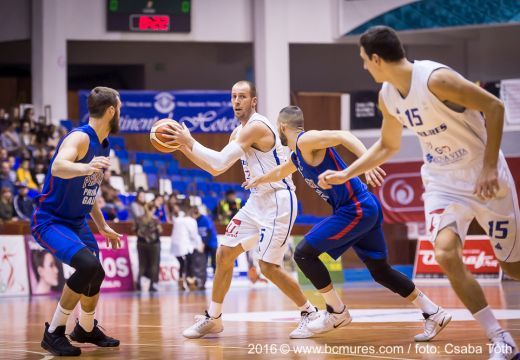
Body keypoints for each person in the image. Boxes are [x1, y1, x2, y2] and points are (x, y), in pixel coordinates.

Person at [318, 26, 519, 359]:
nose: (364, 66)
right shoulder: (388, 95)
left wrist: (487, 168)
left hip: (485, 177)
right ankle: (500, 338)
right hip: (442, 182)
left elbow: (495, 107)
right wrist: (346, 173)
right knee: (444, 253)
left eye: (364, 60)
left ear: (377, 58)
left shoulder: (436, 80)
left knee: (514, 269)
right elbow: (388, 144)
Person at [245, 105, 450, 340]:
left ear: (282, 126)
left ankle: (336, 311)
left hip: (355, 208)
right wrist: (259, 179)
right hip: (363, 207)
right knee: (381, 271)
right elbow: (281, 171)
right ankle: (433, 312)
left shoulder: (306, 140)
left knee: (303, 253)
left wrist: (369, 162)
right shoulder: (297, 155)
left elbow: (344, 136)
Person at [165, 80, 318, 339]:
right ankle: (214, 318)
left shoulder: (256, 126)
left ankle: (310, 313)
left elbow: (221, 160)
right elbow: (216, 168)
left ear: (253, 101)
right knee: (224, 254)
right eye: (234, 97)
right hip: (256, 200)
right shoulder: (238, 133)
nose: (237, 101)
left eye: (242, 97)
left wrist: (190, 140)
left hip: (278, 200)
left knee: (267, 267)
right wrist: (184, 147)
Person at [30, 86, 122, 356]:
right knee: (87, 265)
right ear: (111, 111)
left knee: (97, 273)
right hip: (50, 219)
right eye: (120, 109)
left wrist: (102, 225)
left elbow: (89, 190)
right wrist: (86, 166)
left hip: (77, 220)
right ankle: (54, 332)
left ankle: (85, 328)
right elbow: (58, 166)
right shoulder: (81, 137)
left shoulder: (105, 144)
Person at [170, 203, 203, 291]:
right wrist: (199, 244)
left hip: (176, 246)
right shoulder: (191, 221)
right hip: (185, 246)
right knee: (190, 263)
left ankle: (181, 280)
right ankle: (190, 281)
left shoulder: (178, 219)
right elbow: (194, 235)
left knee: (182, 263)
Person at [134, 201, 162, 292]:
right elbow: (160, 230)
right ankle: (152, 285)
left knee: (142, 264)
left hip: (141, 243)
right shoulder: (155, 220)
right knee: (153, 265)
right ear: (153, 209)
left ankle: (139, 282)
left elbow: (133, 229)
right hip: (153, 244)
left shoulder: (139, 218)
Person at [193, 206, 218, 276]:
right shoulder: (195, 221)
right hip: (204, 244)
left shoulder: (206, 219)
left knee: (214, 263)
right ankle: (202, 282)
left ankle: (217, 281)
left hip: (212, 243)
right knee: (203, 263)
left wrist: (204, 243)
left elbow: (209, 232)